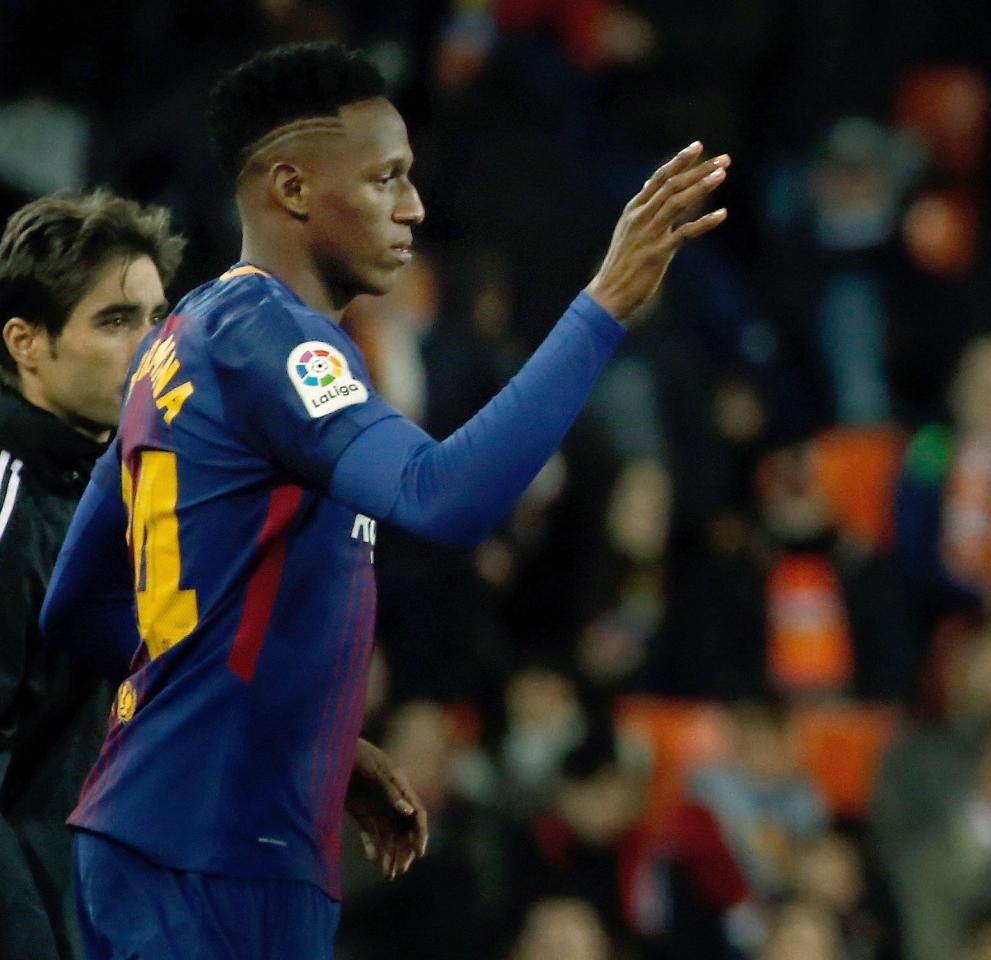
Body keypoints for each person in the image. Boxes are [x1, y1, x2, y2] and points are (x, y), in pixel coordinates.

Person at [39, 40, 728, 960]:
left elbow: (78, 606)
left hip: (176, 838)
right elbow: (439, 497)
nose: (414, 207)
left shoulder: (180, 342)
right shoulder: (274, 342)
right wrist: (602, 309)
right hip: (214, 857)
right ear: (292, 189)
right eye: (384, 179)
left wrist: (302, 736)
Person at [0, 192, 178, 960]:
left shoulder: (136, 492)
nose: (150, 347)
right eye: (115, 321)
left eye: (157, 318)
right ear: (26, 343)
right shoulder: (11, 499)